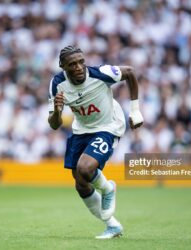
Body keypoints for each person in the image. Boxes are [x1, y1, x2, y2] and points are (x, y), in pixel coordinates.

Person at [48, 46, 143, 239]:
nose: (79, 67)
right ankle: (112, 225)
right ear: (62, 66)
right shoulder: (57, 84)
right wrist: (58, 111)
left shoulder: (100, 73)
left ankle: (108, 188)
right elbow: (54, 125)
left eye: (81, 61)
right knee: (80, 183)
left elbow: (130, 72)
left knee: (85, 168)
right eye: (72, 64)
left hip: (109, 126)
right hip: (81, 130)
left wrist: (135, 110)